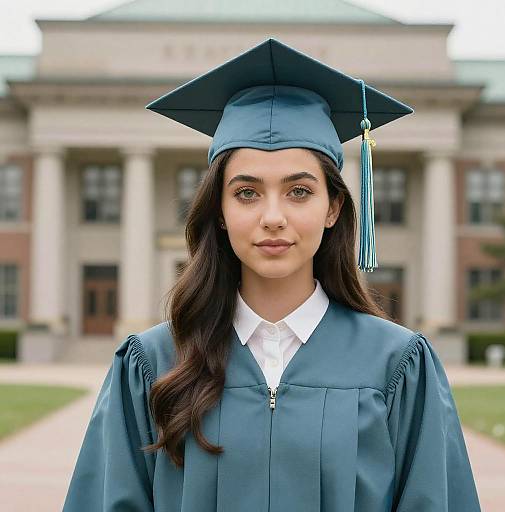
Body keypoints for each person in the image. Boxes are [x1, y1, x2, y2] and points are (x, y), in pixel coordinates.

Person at [62, 38, 481, 511]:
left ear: (333, 207)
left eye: (299, 191)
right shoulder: (153, 365)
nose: (273, 216)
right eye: (246, 193)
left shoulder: (397, 365)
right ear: (219, 211)